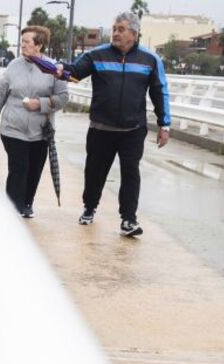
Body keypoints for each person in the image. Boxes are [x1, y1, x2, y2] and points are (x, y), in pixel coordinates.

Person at [57, 11, 170, 237]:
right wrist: (59, 69)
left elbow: (160, 91)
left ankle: (128, 219)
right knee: (94, 173)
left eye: (120, 30)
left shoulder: (150, 60)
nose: (115, 33)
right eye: (114, 29)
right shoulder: (97, 55)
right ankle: (89, 207)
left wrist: (164, 125)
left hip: (133, 130)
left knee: (131, 173)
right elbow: (75, 73)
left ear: (134, 34)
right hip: (101, 128)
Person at [0, 26, 68, 218]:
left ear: (39, 45)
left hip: (40, 131)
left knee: (34, 169)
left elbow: (63, 98)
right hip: (13, 129)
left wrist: (41, 104)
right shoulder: (14, 66)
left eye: (27, 42)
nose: (23, 45)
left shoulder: (54, 69)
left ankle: (27, 203)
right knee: (18, 168)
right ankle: (11, 208)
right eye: (22, 41)